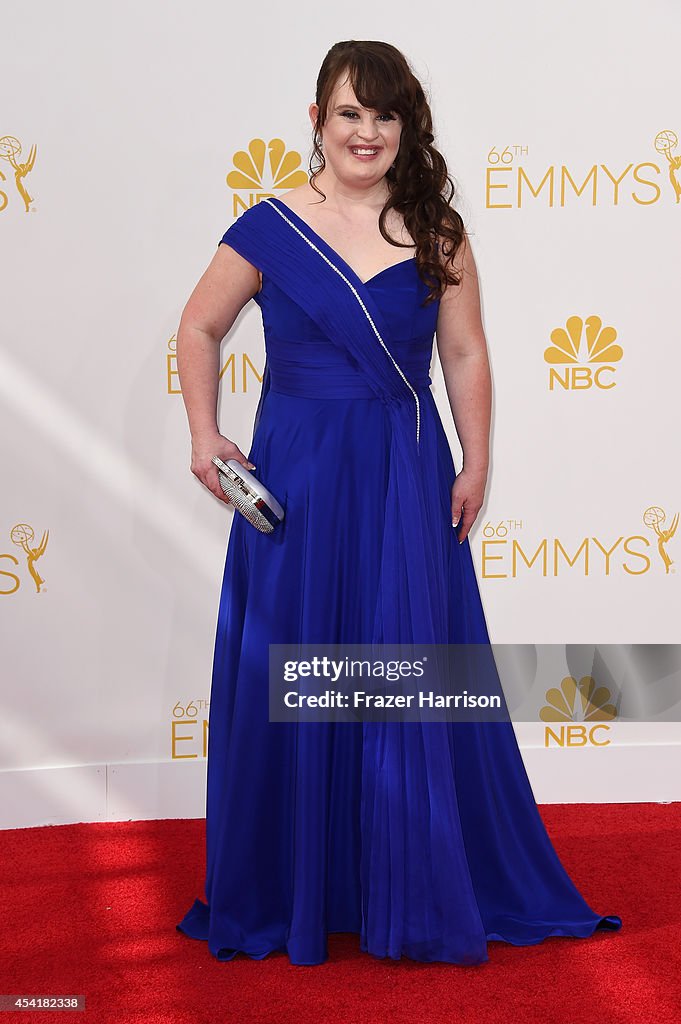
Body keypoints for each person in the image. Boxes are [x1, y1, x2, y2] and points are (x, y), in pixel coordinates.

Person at [175, 40, 622, 966]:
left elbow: (464, 354)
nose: (366, 132)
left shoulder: (438, 231)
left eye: (384, 115)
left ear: (406, 126)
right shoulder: (269, 227)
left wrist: (477, 457)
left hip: (400, 474)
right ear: (316, 122)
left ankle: (407, 879)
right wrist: (204, 436)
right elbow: (199, 324)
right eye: (349, 113)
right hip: (295, 477)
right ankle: (301, 886)